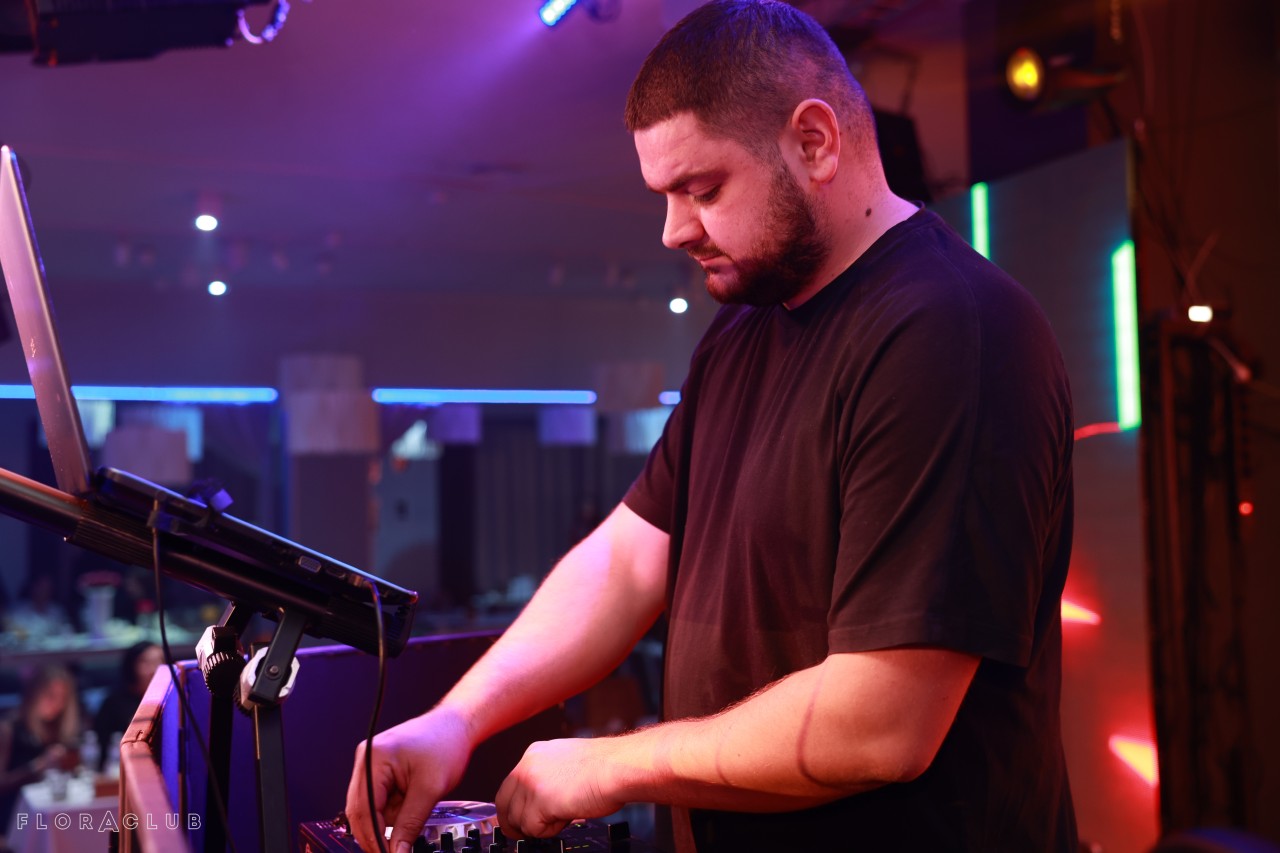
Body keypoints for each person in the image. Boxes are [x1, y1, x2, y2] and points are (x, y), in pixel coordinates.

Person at [346, 2, 1077, 851]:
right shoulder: (741, 332)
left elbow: (886, 720)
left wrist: (611, 762)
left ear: (815, 142)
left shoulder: (949, 331)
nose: (673, 230)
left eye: (702, 189)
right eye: (666, 195)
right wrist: (457, 718)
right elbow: (628, 559)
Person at [0, 666, 82, 834]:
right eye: (50, 696)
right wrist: (37, 766)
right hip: (16, 815)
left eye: (62, 698)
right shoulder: (9, 729)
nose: (56, 704)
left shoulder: (62, 731)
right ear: (34, 695)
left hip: (55, 810)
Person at [91, 642, 163, 771]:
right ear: (131, 666)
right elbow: (101, 745)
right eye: (146, 662)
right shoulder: (114, 702)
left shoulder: (172, 698)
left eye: (159, 661)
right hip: (123, 767)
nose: (154, 669)